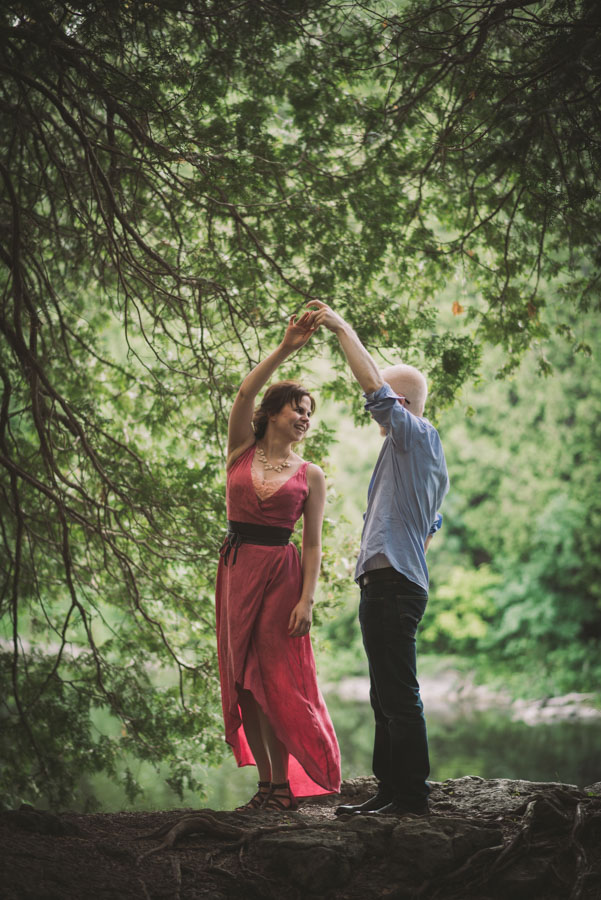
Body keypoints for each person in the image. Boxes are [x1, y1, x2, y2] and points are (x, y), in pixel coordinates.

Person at [307, 300, 449, 817]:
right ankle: (391, 792)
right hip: (391, 584)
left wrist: (341, 328)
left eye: (386, 398)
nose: (372, 407)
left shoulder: (417, 436)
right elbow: (431, 528)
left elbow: (375, 388)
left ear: (403, 403)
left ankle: (411, 798)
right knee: (384, 695)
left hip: (393, 587)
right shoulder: (414, 457)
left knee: (398, 695)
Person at [215, 311, 341, 811]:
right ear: (272, 413)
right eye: (297, 407)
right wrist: (287, 348)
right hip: (236, 570)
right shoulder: (240, 450)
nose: (305, 416)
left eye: (309, 411)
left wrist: (307, 599)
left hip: (282, 577)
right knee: (243, 678)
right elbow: (244, 393)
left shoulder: (311, 475)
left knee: (275, 679)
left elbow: (312, 544)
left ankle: (285, 787)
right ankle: (267, 786)